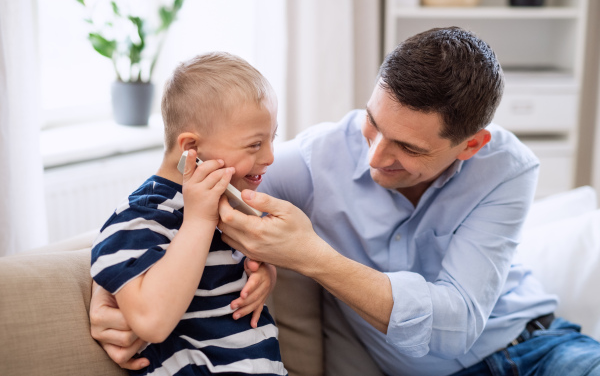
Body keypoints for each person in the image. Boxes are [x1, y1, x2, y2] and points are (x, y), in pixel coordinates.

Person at [91, 27, 600, 375]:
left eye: (409, 148)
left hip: (537, 347)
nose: (377, 156)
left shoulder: (506, 169)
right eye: (374, 124)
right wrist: (108, 285)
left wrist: (309, 256)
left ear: (470, 145)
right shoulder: (315, 161)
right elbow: (181, 190)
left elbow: (458, 324)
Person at [90, 52, 286, 376]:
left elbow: (251, 264)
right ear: (190, 148)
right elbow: (151, 323)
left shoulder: (235, 204)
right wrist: (198, 220)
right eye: (254, 145)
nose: (270, 156)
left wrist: (266, 273)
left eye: (272, 138)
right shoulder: (138, 220)